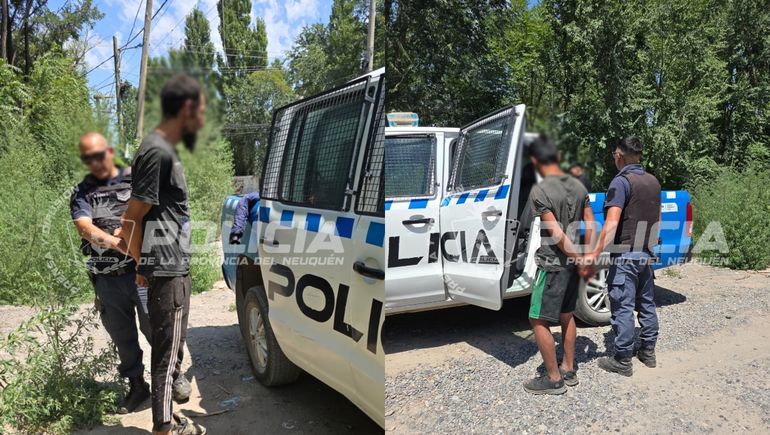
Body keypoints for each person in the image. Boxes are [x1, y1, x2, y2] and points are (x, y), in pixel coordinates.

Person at [116, 74, 205, 435]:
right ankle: (163, 429)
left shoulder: (163, 149)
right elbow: (130, 219)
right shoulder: (155, 150)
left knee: (171, 350)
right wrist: (144, 264)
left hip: (169, 266)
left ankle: (166, 422)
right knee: (167, 358)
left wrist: (143, 267)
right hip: (166, 268)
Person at [70, 132, 151, 414]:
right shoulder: (82, 191)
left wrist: (142, 259)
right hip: (107, 278)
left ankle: (172, 378)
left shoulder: (136, 179)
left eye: (99, 154)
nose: (95, 161)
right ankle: (138, 386)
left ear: (110, 151)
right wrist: (123, 245)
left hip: (142, 273)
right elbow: (84, 228)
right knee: (123, 336)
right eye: (88, 158)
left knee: (158, 328)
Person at [583, 136, 661, 377]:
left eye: (613, 155)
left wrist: (593, 255)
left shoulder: (621, 182)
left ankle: (622, 359)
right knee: (646, 304)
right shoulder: (653, 181)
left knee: (623, 307)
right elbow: (656, 221)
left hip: (625, 256)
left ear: (619, 156)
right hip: (645, 254)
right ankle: (648, 352)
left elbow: (611, 224)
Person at [523, 136, 595, 395]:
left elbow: (555, 232)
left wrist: (577, 257)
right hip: (574, 265)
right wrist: (588, 256)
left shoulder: (540, 191)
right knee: (567, 315)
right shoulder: (578, 187)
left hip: (553, 264)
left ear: (535, 161)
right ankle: (568, 368)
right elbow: (591, 223)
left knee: (538, 319)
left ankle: (553, 379)